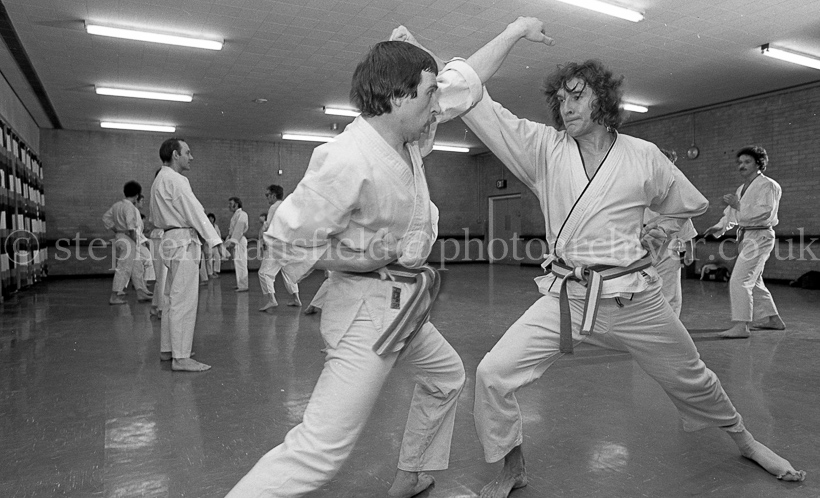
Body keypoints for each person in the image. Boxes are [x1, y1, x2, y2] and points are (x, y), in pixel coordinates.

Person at [393, 17, 805, 498]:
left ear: (603, 101)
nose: (566, 107)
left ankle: (747, 440)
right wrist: (424, 56)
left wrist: (660, 231)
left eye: (577, 96)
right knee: (492, 374)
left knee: (692, 377)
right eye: (561, 99)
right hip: (566, 297)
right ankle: (512, 466)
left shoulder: (643, 155)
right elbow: (476, 98)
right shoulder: (544, 149)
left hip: (635, 300)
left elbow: (687, 203)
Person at [225, 39, 480, 498]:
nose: (437, 105)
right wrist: (356, 258)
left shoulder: (407, 142)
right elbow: (282, 239)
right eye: (429, 94)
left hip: (404, 305)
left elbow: (466, 81)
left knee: (446, 376)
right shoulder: (347, 156)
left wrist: (517, 30)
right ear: (398, 96)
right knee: (319, 451)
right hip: (366, 314)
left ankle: (412, 473)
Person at [150, 138, 222, 372]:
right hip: (182, 241)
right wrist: (214, 240)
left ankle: (168, 349)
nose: (191, 157)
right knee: (184, 299)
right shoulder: (176, 179)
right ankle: (180, 357)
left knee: (171, 297)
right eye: (187, 152)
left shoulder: (159, 179)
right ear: (175, 154)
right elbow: (195, 211)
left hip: (170, 239)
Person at [703, 146, 786, 338]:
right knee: (753, 281)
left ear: (759, 164)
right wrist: (720, 226)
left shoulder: (768, 185)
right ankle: (773, 320)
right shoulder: (742, 188)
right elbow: (732, 214)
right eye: (740, 162)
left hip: (760, 236)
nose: (742, 166)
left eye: (747, 162)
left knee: (740, 280)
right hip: (747, 236)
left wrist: (738, 204)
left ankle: (741, 326)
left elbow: (764, 212)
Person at [641, 149, 697, 317]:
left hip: (668, 248)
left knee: (670, 292)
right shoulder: (639, 188)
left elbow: (684, 221)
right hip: (640, 247)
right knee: (641, 291)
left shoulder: (675, 193)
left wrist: (690, 250)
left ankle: (671, 325)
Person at [102, 180, 152, 304]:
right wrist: (136, 240)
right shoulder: (129, 207)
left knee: (136, 266)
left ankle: (140, 291)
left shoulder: (117, 205)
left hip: (120, 236)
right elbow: (131, 227)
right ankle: (115, 295)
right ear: (136, 195)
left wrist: (116, 229)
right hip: (128, 239)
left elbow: (106, 218)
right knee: (124, 267)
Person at [258, 185, 301, 312]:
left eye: (267, 195)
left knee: (264, 273)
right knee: (288, 270)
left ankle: (272, 300)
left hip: (276, 244)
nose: (267, 198)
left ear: (273, 195)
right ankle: (296, 299)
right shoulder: (288, 205)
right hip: (288, 244)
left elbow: (269, 226)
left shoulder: (274, 207)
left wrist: (264, 239)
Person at [225, 196, 249, 292]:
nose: (229, 206)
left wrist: (233, 241)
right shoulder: (236, 215)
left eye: (231, 204)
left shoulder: (242, 214)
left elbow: (239, 229)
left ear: (236, 204)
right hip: (236, 240)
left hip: (239, 240)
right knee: (238, 263)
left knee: (241, 263)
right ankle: (240, 284)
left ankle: (243, 285)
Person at [206, 213, 222, 278]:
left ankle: (215, 271)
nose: (211, 219)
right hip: (209, 245)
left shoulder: (216, 226)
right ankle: (210, 273)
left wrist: (219, 242)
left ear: (214, 219)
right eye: (209, 218)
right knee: (209, 259)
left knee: (217, 258)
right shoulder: (205, 226)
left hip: (215, 244)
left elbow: (219, 234)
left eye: (212, 218)